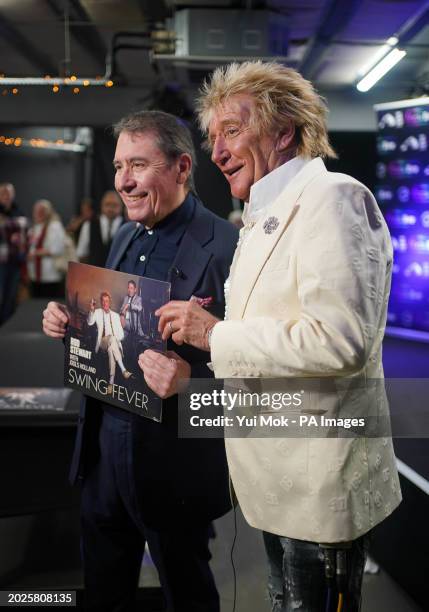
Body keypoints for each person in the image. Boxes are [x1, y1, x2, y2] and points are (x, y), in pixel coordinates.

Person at [156, 61, 402, 611]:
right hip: (279, 481)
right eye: (212, 136)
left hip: (318, 489)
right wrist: (223, 324)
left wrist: (217, 334)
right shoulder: (265, 212)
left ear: (284, 131)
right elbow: (282, 319)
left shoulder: (333, 197)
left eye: (233, 131)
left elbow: (339, 339)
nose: (216, 151)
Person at [42, 110, 238, 611]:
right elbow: (112, 332)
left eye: (138, 165)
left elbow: (257, 376)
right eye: (117, 165)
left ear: (181, 168)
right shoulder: (125, 235)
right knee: (105, 588)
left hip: (174, 461)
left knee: (186, 593)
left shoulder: (226, 247)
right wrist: (70, 323)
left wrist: (191, 381)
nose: (123, 182)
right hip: (103, 450)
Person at [87, 291, 132, 394]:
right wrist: (92, 310)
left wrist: (114, 340)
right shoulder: (97, 312)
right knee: (111, 339)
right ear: (101, 302)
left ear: (109, 302)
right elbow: (90, 322)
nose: (104, 303)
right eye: (102, 301)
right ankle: (123, 369)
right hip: (102, 343)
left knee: (111, 350)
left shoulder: (116, 316)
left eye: (106, 301)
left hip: (113, 344)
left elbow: (121, 335)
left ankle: (110, 384)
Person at [0, 182, 28, 323]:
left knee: (11, 297)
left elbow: (24, 229)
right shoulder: (18, 216)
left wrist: (5, 223)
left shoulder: (19, 211)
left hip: (15, 261)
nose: (6, 195)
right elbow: (20, 226)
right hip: (1, 263)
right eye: (3, 192)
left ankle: (5, 327)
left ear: (13, 194)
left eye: (8, 192)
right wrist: (14, 225)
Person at [27, 199, 66, 298]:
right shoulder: (34, 228)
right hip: (35, 275)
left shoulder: (55, 226)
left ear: (48, 212)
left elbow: (57, 249)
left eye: (42, 211)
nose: (38, 213)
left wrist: (35, 253)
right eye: (36, 211)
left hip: (51, 276)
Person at [76, 190, 124, 266]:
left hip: (120, 275)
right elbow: (82, 254)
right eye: (107, 204)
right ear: (101, 205)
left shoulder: (130, 227)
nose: (111, 208)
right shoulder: (89, 225)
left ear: (121, 206)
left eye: (115, 205)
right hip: (94, 273)